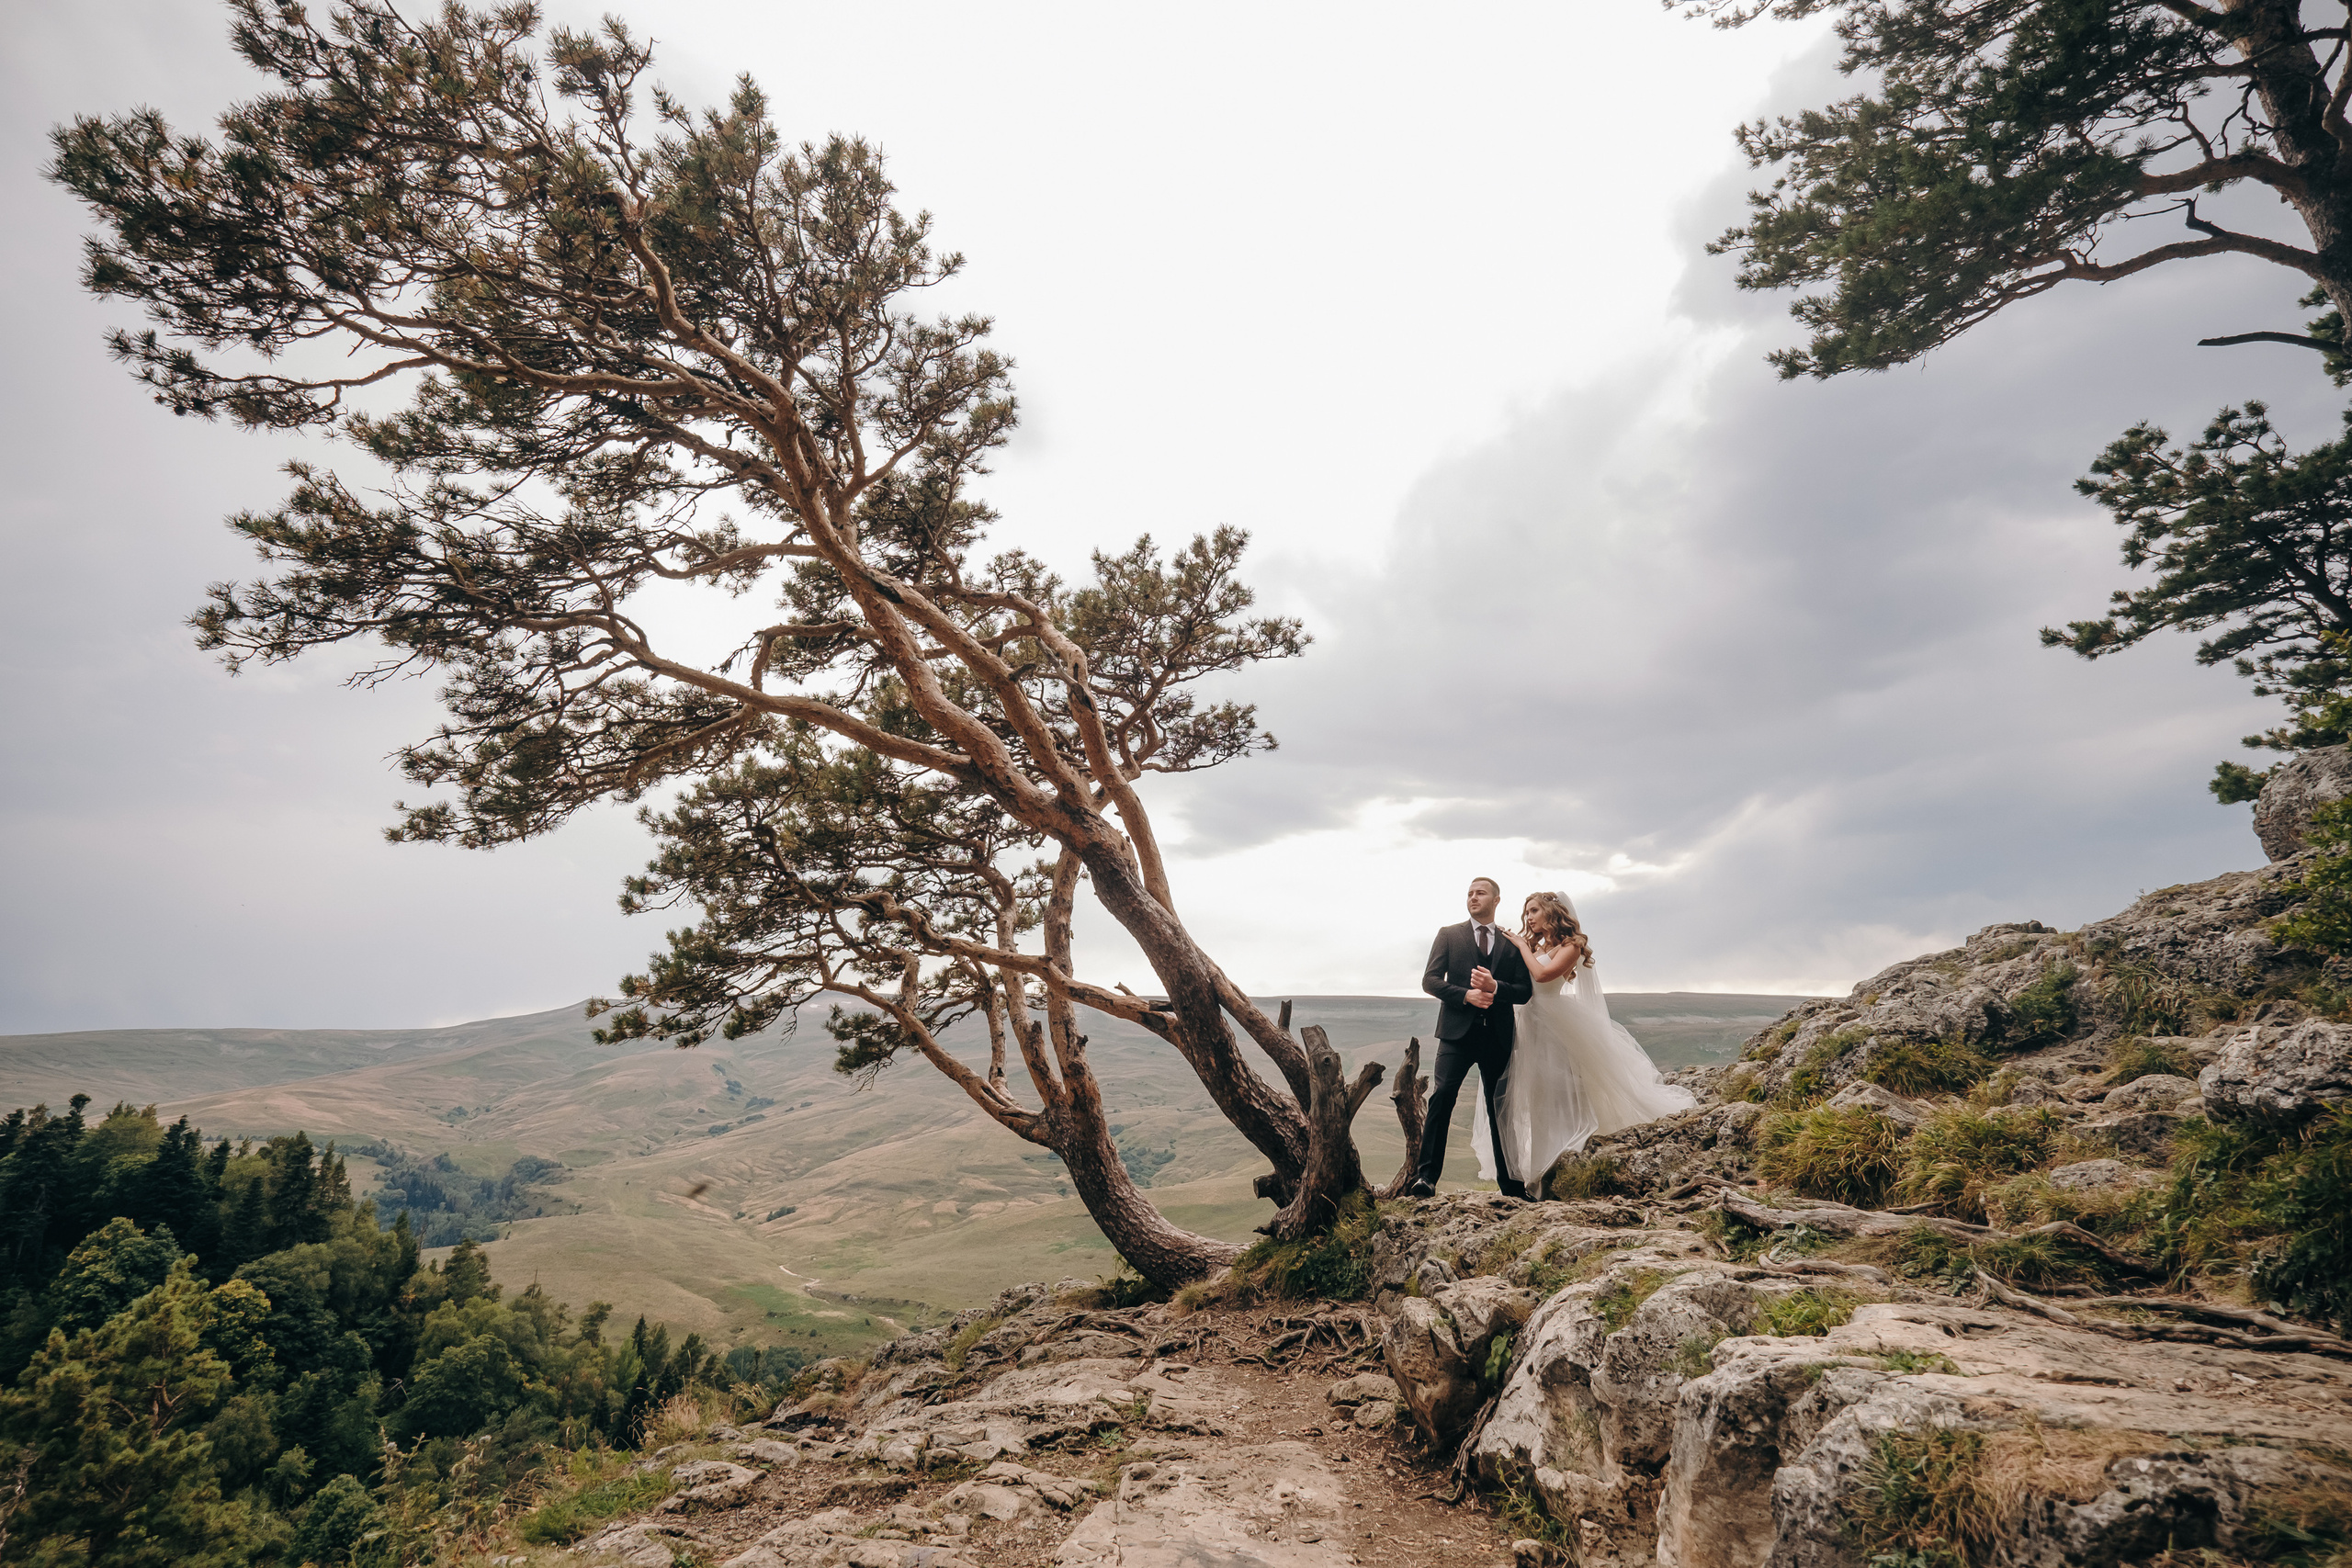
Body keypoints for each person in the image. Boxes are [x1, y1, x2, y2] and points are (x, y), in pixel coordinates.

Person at [1471, 890, 1696, 1190]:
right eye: (1526, 913)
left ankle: (1563, 1157)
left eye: (1534, 911)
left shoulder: (1572, 946)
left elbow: (1542, 975)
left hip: (1553, 1025)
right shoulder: (1537, 944)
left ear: (1552, 912)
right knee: (1532, 1096)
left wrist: (1523, 947)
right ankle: (1537, 1171)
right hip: (1525, 1025)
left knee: (1557, 1094)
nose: (1528, 918)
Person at [1408, 876, 1534, 1199]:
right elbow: (1430, 981)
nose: (1473, 898)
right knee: (1442, 1097)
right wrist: (1466, 996)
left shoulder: (1512, 942)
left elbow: (1524, 991)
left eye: (1480, 893)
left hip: (1498, 1037)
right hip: (1456, 1035)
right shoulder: (1449, 935)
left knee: (1500, 1109)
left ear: (1496, 900)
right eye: (1469, 893)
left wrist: (1495, 989)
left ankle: (1512, 1186)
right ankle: (1426, 1178)